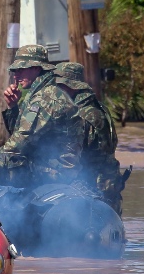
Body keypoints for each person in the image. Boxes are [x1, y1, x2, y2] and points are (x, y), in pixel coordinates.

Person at [0, 44, 84, 188]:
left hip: (58, 172)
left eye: (21, 69)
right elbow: (19, 134)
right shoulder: (40, 93)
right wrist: (13, 107)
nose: (16, 76)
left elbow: (19, 143)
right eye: (15, 71)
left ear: (36, 68)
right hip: (47, 165)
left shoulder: (46, 98)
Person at [53, 62, 128, 215]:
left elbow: (71, 157)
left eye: (60, 86)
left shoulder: (81, 115)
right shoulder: (98, 107)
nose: (57, 91)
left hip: (94, 192)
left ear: (72, 86)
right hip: (108, 188)